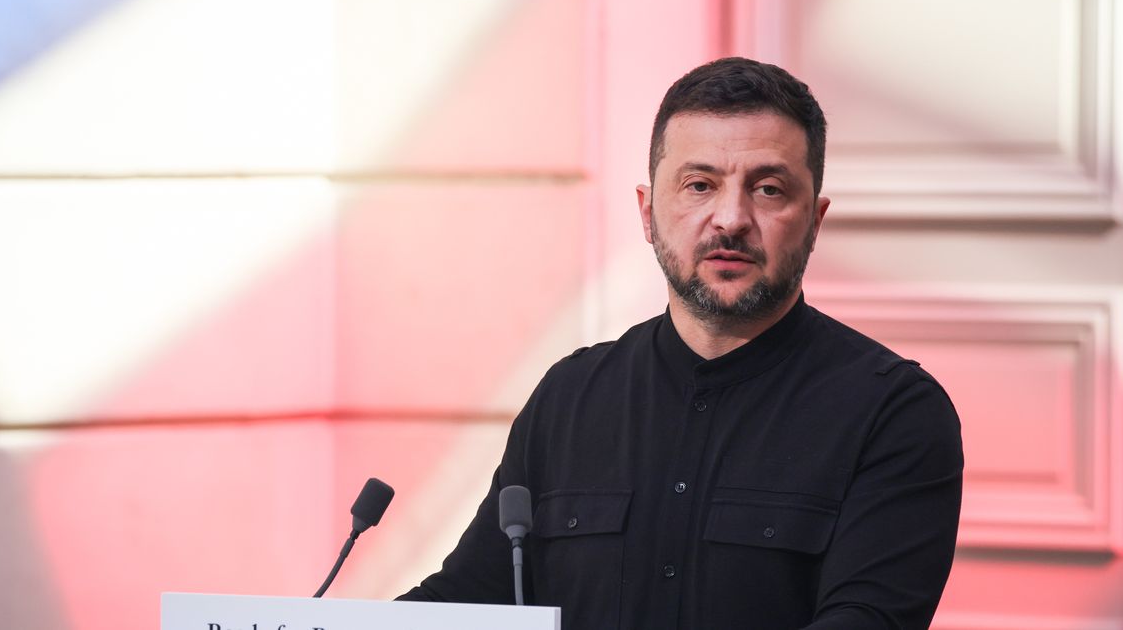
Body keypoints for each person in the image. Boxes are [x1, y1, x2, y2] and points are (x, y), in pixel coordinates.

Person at [398, 57, 964, 630]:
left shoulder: (894, 413)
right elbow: (470, 599)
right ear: (648, 213)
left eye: (768, 189)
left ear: (815, 222)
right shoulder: (568, 397)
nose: (730, 219)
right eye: (699, 185)